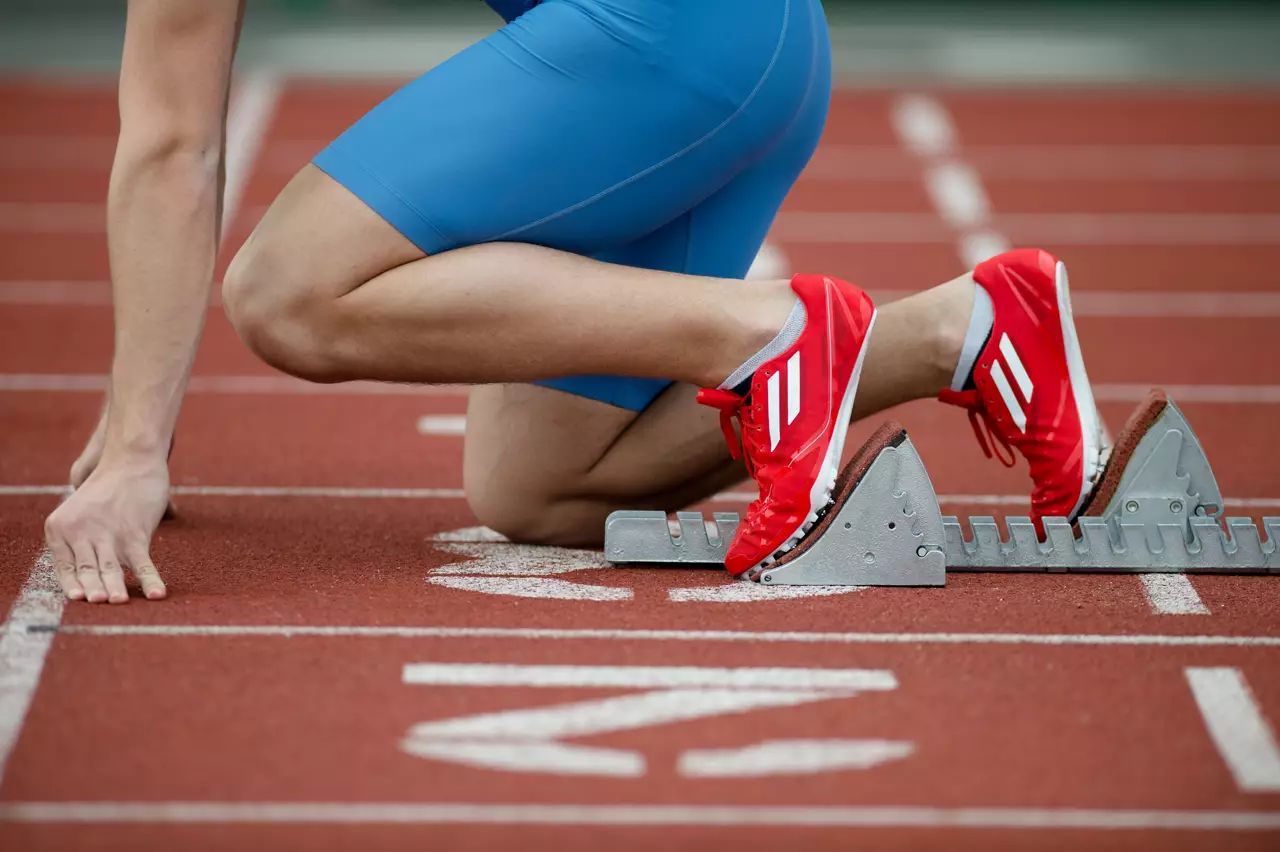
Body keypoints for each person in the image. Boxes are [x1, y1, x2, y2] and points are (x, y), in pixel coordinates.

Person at [44, 0, 1106, 603]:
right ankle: (956, 332)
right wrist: (130, 430)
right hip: (754, 47)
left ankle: (773, 334)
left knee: (287, 292)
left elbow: (174, 145)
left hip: (672, 38)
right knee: (541, 489)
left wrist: (141, 448)